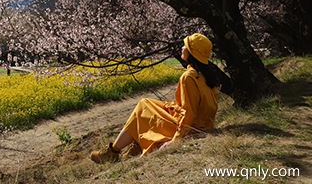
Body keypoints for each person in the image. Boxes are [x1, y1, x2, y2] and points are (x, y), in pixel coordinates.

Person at [90, 33, 220, 163]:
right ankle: (131, 147)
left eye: (185, 46)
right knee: (146, 104)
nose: (182, 48)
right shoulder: (205, 75)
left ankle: (112, 152)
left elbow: (188, 113)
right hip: (203, 125)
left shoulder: (189, 77)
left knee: (143, 107)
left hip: (192, 129)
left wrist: (176, 140)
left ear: (192, 52)